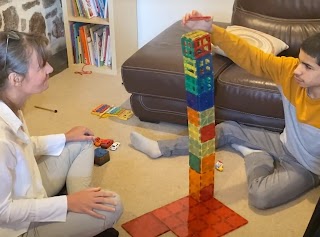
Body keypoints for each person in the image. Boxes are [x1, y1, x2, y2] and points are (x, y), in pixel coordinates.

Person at [130, 10, 320, 210]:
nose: (297, 70)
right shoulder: (289, 71)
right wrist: (211, 29)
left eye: (307, 67)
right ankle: (160, 149)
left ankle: (255, 155)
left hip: (306, 167)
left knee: (260, 197)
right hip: (283, 144)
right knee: (227, 128)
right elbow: (251, 55)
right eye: (299, 61)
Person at [0, 30, 123, 237]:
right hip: (19, 227)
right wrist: (68, 202)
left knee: (84, 141)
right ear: (16, 79)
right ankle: (77, 211)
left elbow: (25, 146)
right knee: (114, 205)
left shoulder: (12, 105)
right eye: (41, 65)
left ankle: (79, 210)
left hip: (32, 192)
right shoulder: (1, 139)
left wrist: (66, 137)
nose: (50, 67)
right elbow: (4, 212)